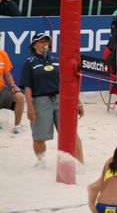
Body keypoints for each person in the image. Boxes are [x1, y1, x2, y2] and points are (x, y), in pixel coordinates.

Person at [19, 32, 84, 169]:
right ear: (34, 44)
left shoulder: (57, 60)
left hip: (60, 98)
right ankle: (41, 161)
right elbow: (27, 88)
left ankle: (80, 163)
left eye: (46, 41)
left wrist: (77, 102)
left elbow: (67, 83)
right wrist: (30, 107)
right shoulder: (29, 63)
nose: (44, 44)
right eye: (41, 41)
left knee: (71, 132)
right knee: (39, 135)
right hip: (41, 100)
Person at [0, 49, 25, 134]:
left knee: (20, 97)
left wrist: (13, 85)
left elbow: (7, 73)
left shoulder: (2, 54)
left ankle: (17, 126)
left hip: (2, 90)